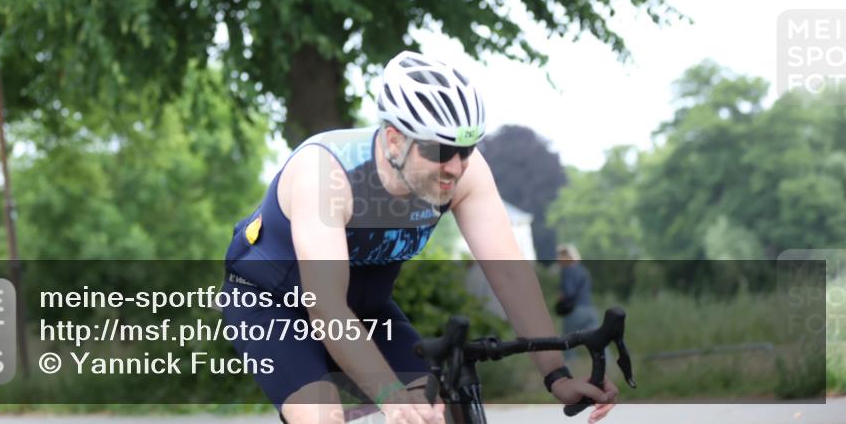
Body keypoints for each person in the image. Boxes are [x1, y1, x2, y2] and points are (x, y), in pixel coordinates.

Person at [221, 51, 618, 424]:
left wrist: (557, 376)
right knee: (325, 415)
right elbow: (326, 307)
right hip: (272, 304)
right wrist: (389, 396)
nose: (455, 166)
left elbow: (510, 276)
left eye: (465, 148)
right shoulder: (326, 174)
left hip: (367, 308)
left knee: (436, 412)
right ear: (394, 139)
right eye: (439, 149)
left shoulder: (464, 170)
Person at [556, 243, 601, 358]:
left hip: (575, 311)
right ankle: (609, 366)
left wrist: (560, 296)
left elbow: (569, 292)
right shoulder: (583, 270)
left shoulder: (567, 271)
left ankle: (570, 369)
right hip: (590, 310)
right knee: (598, 343)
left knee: (567, 343)